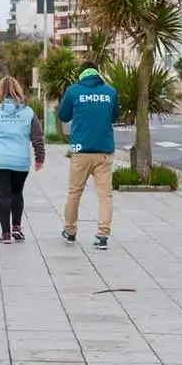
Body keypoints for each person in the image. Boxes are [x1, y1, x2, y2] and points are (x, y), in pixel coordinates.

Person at [0, 76, 45, 244]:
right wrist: (39, 157)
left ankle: (5, 233)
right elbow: (37, 137)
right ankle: (17, 227)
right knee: (16, 193)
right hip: (20, 161)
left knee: (3, 195)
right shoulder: (28, 112)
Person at [58, 62, 119, 250]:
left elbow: (63, 116)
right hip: (104, 152)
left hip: (80, 151)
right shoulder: (110, 92)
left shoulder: (73, 91)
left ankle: (70, 231)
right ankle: (102, 235)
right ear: (98, 73)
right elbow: (114, 116)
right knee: (105, 196)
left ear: (81, 74)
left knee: (74, 193)